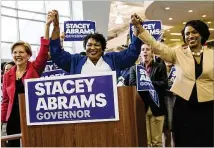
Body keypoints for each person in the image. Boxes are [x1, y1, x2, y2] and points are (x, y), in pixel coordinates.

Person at [132, 13, 213, 147]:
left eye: (194, 32)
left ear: (202, 34)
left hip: (209, 106)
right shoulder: (178, 53)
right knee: (185, 141)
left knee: (208, 140)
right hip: (184, 106)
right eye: (187, 34)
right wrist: (140, 28)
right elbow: (156, 45)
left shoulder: (212, 54)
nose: (190, 36)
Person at [1, 11, 55, 147]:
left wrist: (47, 26)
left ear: (28, 54)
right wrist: (1, 121)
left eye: (21, 52)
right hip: (13, 119)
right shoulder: (8, 75)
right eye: (15, 52)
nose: (17, 55)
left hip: (32, 116)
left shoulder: (35, 68)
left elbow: (44, 50)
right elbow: (6, 101)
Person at [49, 10, 142, 77]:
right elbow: (57, 54)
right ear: (85, 48)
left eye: (96, 45)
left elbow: (131, 54)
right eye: (89, 45)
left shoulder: (113, 59)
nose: (92, 48)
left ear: (102, 48)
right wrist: (56, 26)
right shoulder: (75, 61)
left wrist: (137, 28)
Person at [129, 43, 168, 147]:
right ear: (140, 53)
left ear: (152, 53)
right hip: (141, 108)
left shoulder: (160, 67)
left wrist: (147, 82)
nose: (145, 51)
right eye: (143, 49)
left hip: (157, 107)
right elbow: (132, 84)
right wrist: (151, 83)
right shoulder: (134, 69)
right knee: (144, 142)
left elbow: (164, 84)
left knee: (157, 142)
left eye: (147, 49)